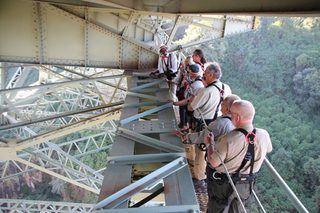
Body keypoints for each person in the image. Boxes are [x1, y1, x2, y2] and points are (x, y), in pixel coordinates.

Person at [205, 100, 273, 213]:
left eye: (231, 113)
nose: (229, 116)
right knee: (237, 209)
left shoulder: (229, 138)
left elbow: (214, 162)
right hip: (247, 184)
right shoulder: (264, 134)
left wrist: (209, 144)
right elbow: (268, 149)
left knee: (217, 208)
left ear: (237, 117)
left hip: (224, 184)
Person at [187, 62, 227, 183]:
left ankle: (198, 176)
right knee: (209, 147)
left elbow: (190, 107)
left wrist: (193, 98)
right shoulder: (225, 88)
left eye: (205, 74)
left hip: (202, 123)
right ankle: (201, 171)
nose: (203, 76)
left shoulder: (206, 91)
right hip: (218, 123)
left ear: (210, 75)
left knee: (200, 149)